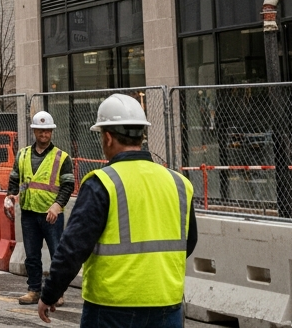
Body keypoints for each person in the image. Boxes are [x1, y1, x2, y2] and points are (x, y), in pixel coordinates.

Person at [37, 94, 197, 327]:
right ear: (142, 135)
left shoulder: (102, 183)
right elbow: (188, 242)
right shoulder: (179, 183)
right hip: (167, 305)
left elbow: (73, 247)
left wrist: (50, 293)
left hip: (112, 308)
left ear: (108, 137)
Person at [6, 111, 74, 306]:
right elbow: (14, 179)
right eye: (40, 131)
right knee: (32, 255)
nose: (44, 134)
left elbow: (68, 185)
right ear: (34, 131)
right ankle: (34, 290)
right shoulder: (23, 154)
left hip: (50, 214)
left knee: (57, 255)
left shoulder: (62, 158)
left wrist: (57, 204)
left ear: (51, 132)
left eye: (47, 131)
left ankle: (57, 293)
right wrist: (10, 197)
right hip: (28, 213)